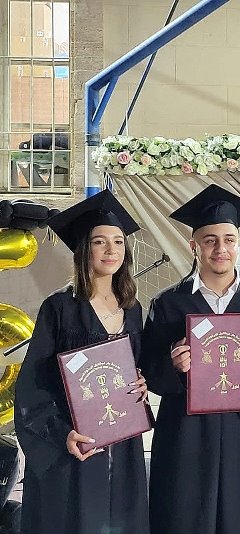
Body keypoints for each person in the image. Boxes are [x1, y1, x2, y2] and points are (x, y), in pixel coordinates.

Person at [140, 184, 240, 534]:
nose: (221, 249)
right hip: (186, 436)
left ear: (238, 244)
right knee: (185, 517)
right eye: (210, 240)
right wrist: (173, 368)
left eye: (229, 240)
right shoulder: (168, 304)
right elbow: (147, 371)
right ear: (194, 247)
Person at [15, 190, 149, 533]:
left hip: (121, 440)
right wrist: (62, 433)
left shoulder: (132, 309)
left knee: (120, 515)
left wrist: (142, 383)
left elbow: (137, 367)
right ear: (83, 249)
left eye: (118, 242)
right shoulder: (59, 308)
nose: (111, 250)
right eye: (99, 242)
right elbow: (34, 384)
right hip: (77, 442)